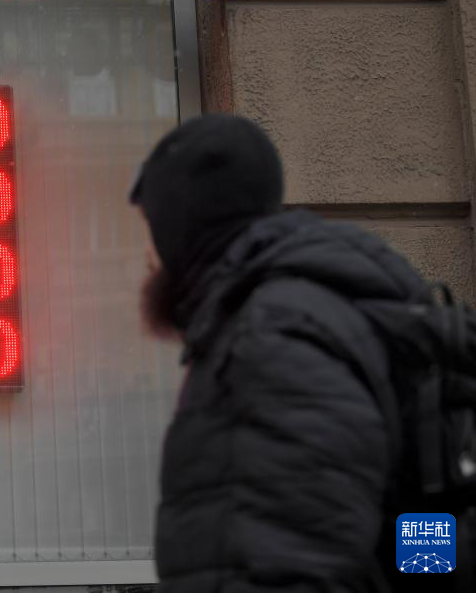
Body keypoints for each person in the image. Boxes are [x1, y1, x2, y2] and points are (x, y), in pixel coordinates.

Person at [130, 114, 428, 592]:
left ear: (182, 230)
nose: (147, 255)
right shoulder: (323, 313)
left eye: (152, 228)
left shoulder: (271, 341)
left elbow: (285, 561)